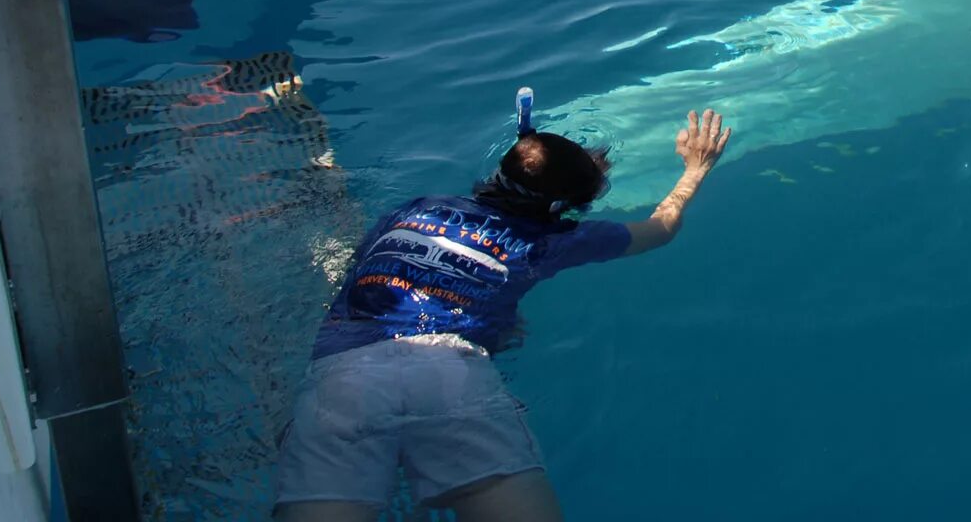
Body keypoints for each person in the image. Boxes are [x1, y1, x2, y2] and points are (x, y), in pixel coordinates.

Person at [275, 100, 733, 521]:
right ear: (561, 208)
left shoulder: (414, 210)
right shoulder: (550, 242)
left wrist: (490, 313)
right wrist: (695, 169)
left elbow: (363, 277)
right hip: (452, 375)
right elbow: (662, 228)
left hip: (346, 376)